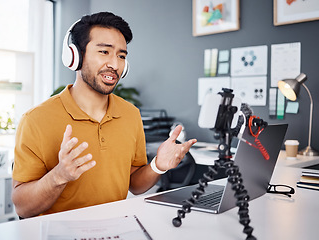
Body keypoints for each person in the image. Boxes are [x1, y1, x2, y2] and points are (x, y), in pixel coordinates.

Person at [11, 11, 197, 218]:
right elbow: (22, 207)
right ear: (75, 56)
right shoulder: (36, 120)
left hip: (113, 229)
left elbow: (134, 183)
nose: (115, 65)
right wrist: (59, 176)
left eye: (121, 56)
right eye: (104, 52)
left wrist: (158, 166)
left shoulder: (130, 114)